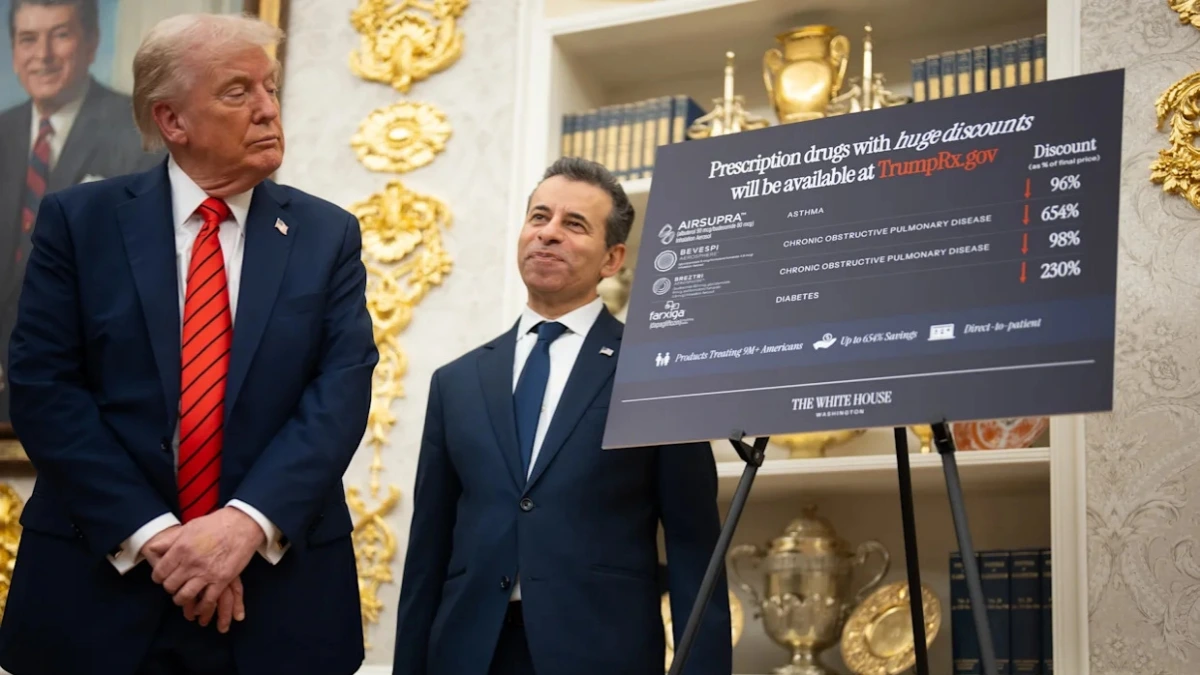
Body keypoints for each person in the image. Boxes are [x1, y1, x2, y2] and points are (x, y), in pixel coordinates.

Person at [0, 13, 377, 675]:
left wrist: (241, 526)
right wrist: (163, 540)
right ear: (172, 120)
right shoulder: (78, 223)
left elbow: (338, 395)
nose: (267, 109)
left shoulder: (328, 236)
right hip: (96, 593)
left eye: (270, 87)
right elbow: (44, 388)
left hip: (277, 602)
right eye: (238, 92)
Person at [392, 156, 732, 675]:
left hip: (600, 651)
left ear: (612, 258)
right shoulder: (456, 383)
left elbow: (694, 549)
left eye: (574, 225)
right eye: (539, 218)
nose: (549, 235)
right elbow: (427, 553)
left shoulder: (657, 372)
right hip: (466, 653)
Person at [0, 0, 161, 423]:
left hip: (90, 386)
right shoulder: (2, 132)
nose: (43, 55)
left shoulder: (140, 132)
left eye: (61, 34)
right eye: (28, 39)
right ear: (13, 50)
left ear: (91, 43)